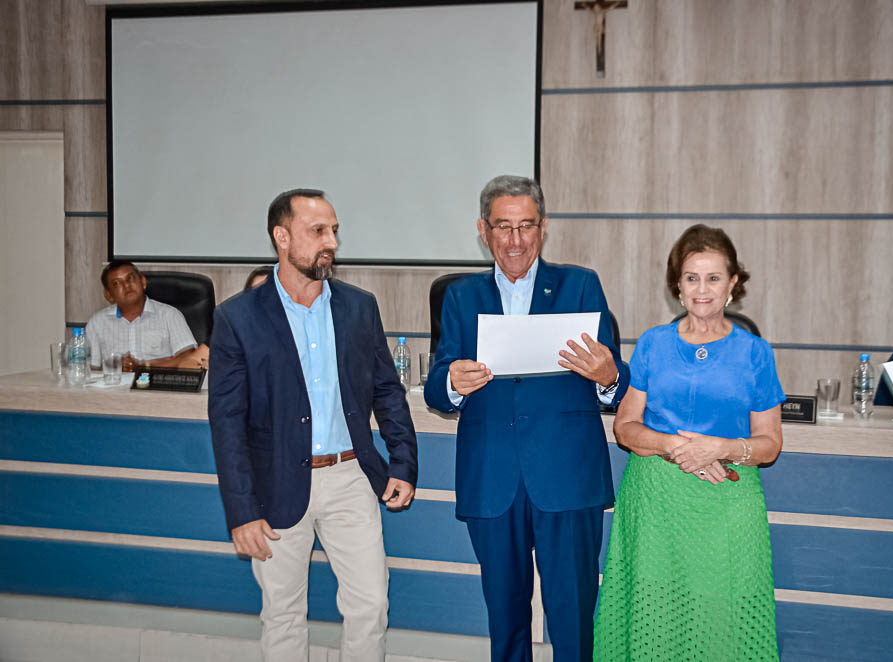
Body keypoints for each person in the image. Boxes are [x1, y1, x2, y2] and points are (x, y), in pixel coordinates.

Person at [423, 175, 629, 662]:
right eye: (503, 227)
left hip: (567, 478)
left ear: (543, 228)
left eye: (526, 227)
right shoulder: (460, 297)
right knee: (506, 619)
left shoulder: (581, 285)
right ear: (483, 230)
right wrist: (453, 380)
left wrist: (607, 375)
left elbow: (618, 383)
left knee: (574, 616)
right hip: (493, 478)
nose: (515, 241)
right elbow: (436, 387)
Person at [208, 188, 418, 662]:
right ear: (282, 237)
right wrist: (241, 510)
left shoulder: (358, 306)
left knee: (371, 605)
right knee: (282, 613)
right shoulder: (237, 317)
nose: (332, 242)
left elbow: (387, 390)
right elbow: (226, 423)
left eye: (334, 231)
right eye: (318, 231)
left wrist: (402, 463)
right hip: (275, 481)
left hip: (350, 477)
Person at [594, 224, 785, 661]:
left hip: (727, 503)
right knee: (655, 619)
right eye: (692, 278)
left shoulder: (756, 352)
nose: (703, 289)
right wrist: (677, 448)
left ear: (733, 284)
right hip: (656, 503)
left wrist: (717, 447)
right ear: (677, 286)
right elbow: (626, 428)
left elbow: (770, 444)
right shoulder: (652, 344)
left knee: (724, 622)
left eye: (714, 277)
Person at [85, 260, 209, 370]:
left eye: (131, 278)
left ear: (143, 282)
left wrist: (142, 366)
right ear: (108, 295)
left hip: (159, 389)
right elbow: (91, 368)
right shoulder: (97, 323)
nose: (126, 285)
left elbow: (189, 357)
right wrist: (115, 367)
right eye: (117, 283)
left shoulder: (169, 315)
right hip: (113, 391)